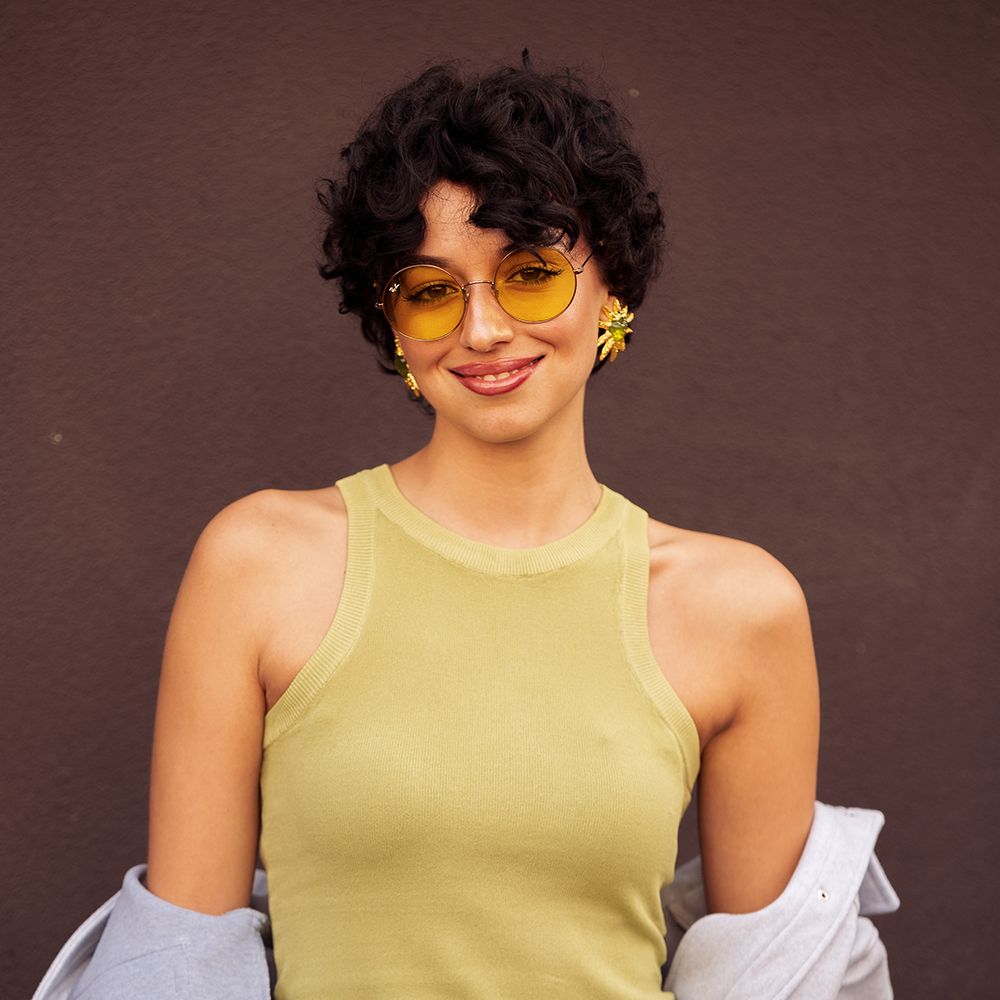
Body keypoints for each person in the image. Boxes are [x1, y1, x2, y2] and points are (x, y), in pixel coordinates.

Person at [41, 56, 896, 1000]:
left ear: (613, 286)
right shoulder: (261, 564)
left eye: (529, 276)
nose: (482, 330)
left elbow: (775, 981)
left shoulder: (740, 609)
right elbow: (177, 966)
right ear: (393, 324)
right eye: (431, 289)